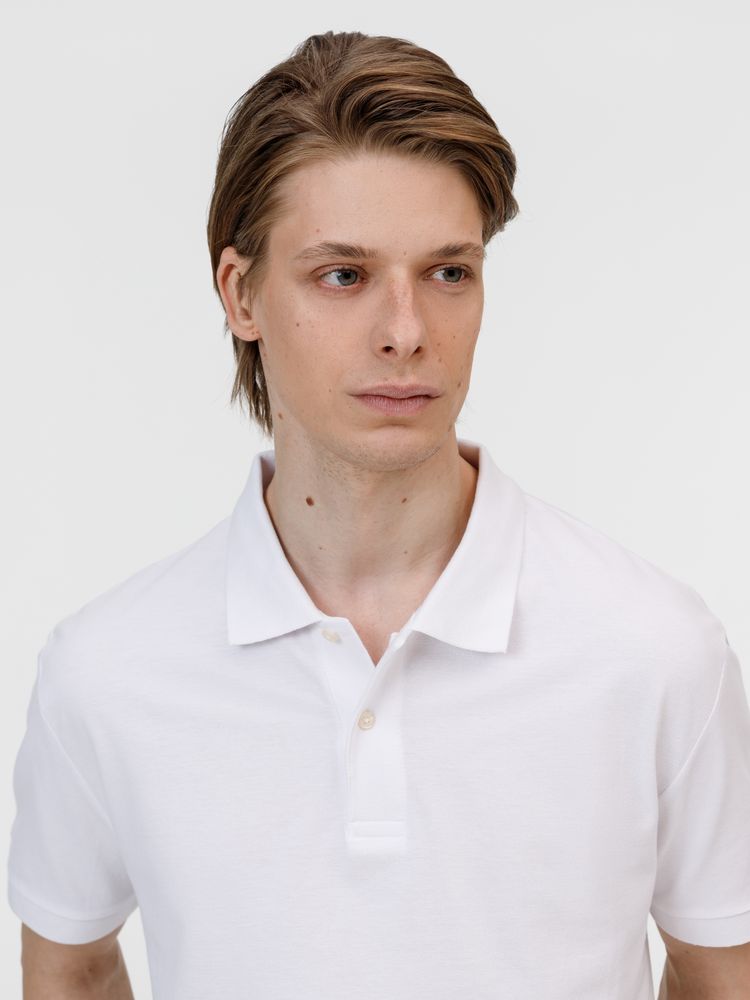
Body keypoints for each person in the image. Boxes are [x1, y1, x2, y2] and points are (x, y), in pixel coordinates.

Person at [7, 29, 750, 1000]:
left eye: (449, 272)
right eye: (344, 275)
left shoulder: (656, 649)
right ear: (241, 294)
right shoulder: (106, 672)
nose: (407, 331)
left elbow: (720, 973)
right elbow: (67, 967)